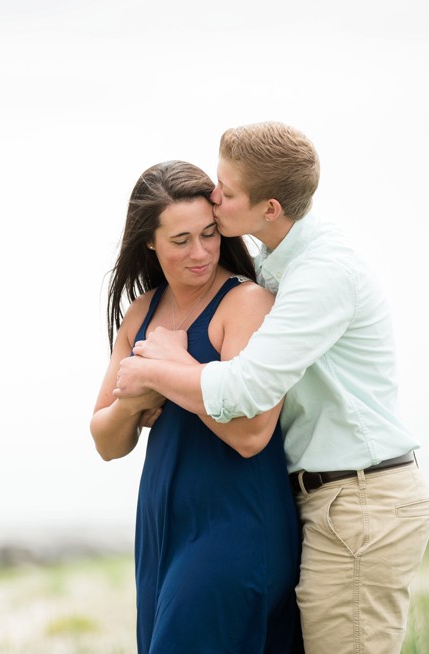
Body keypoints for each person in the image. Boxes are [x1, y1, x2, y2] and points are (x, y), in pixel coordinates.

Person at [114, 123, 429, 654]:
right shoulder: (274, 265)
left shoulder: (322, 274)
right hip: (322, 500)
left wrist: (159, 367)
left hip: (360, 501)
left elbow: (247, 392)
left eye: (227, 190)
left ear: (269, 208)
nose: (214, 199)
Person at [91, 160, 303, 653]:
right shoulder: (142, 311)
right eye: (180, 240)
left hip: (235, 523)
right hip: (162, 530)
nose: (201, 252)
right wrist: (135, 401)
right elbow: (106, 439)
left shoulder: (245, 303)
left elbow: (252, 434)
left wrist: (173, 370)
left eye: (209, 234)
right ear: (150, 242)